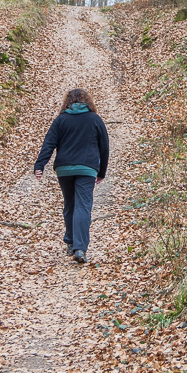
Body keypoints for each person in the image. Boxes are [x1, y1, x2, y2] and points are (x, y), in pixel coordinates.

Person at [33, 87, 109, 264]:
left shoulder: (61, 120)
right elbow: (104, 147)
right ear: (87, 102)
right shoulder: (95, 119)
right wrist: (102, 171)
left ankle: (70, 241)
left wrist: (40, 165)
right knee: (83, 206)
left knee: (70, 204)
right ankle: (80, 248)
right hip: (87, 168)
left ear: (67, 102)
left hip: (64, 169)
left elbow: (48, 144)